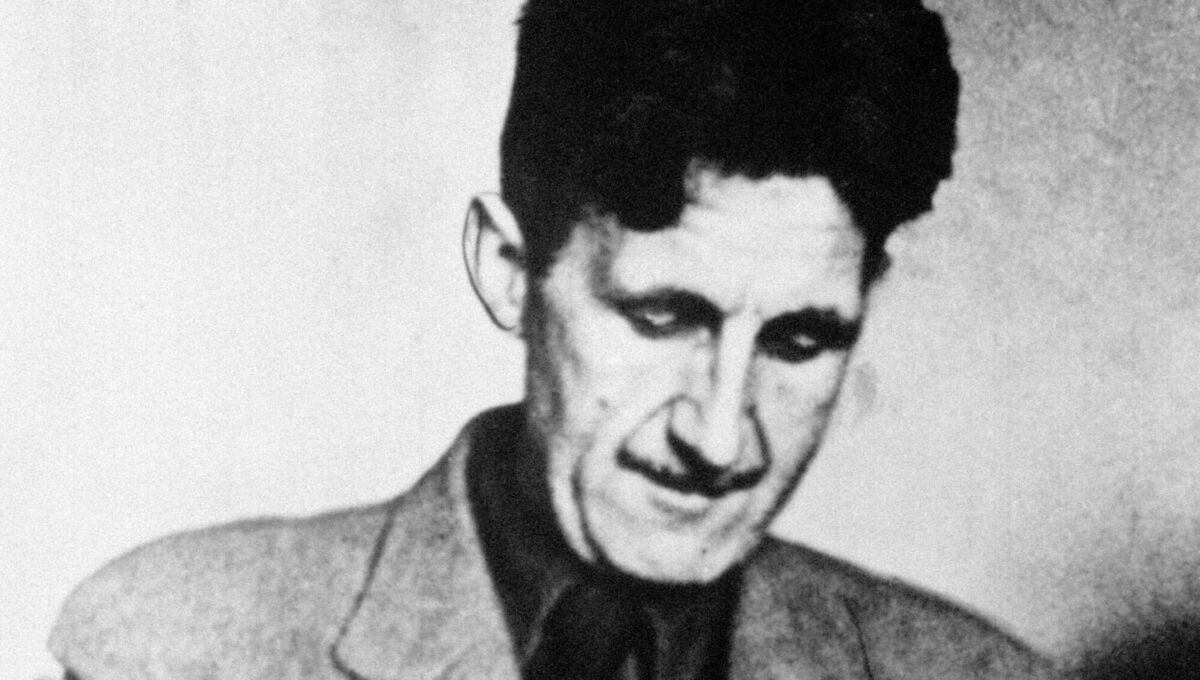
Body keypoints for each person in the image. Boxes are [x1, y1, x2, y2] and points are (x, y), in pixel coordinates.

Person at [49, 0, 1064, 678]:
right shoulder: (168, 645)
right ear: (507, 269)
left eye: (799, 342)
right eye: (663, 318)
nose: (718, 439)